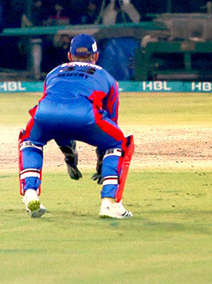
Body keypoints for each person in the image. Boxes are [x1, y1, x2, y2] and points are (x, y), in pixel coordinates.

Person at [18, 34, 134, 219]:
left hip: (44, 115)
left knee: (29, 142)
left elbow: (58, 112)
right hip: (85, 117)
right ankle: (109, 203)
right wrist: (102, 161)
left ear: (70, 56)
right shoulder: (108, 78)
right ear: (96, 56)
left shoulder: (53, 73)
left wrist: (69, 155)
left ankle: (30, 192)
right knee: (119, 143)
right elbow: (111, 122)